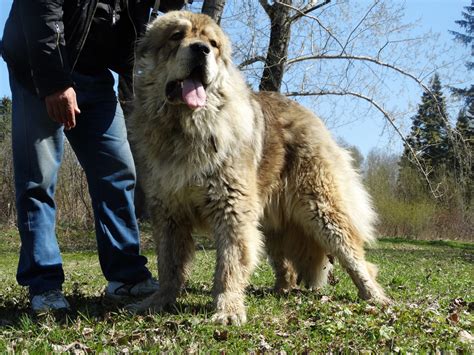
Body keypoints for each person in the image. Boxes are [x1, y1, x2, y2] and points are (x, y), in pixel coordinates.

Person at [1, 0, 185, 312]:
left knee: (118, 169)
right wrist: (55, 83)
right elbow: (40, 13)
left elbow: (135, 47)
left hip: (93, 75)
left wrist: (140, 100)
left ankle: (126, 277)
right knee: (39, 178)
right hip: (38, 66)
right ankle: (43, 284)